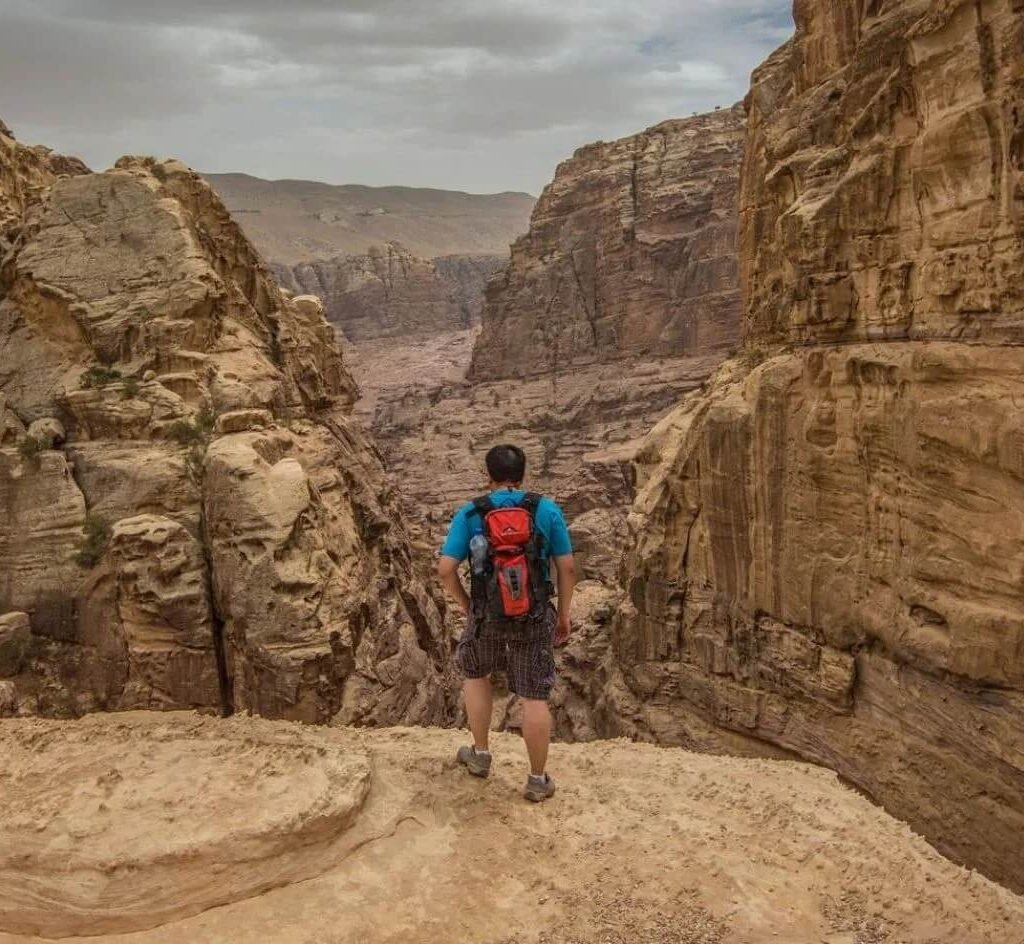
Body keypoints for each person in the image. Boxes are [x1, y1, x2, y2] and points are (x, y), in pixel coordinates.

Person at [437, 444, 576, 802]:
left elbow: (446, 569)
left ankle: (480, 755)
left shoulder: (471, 512)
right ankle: (537, 779)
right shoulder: (545, 509)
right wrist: (563, 614)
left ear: (488, 475)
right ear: (523, 473)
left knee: (476, 674)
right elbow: (567, 567)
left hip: (486, 615)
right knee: (534, 694)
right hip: (534, 615)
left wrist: (469, 606)